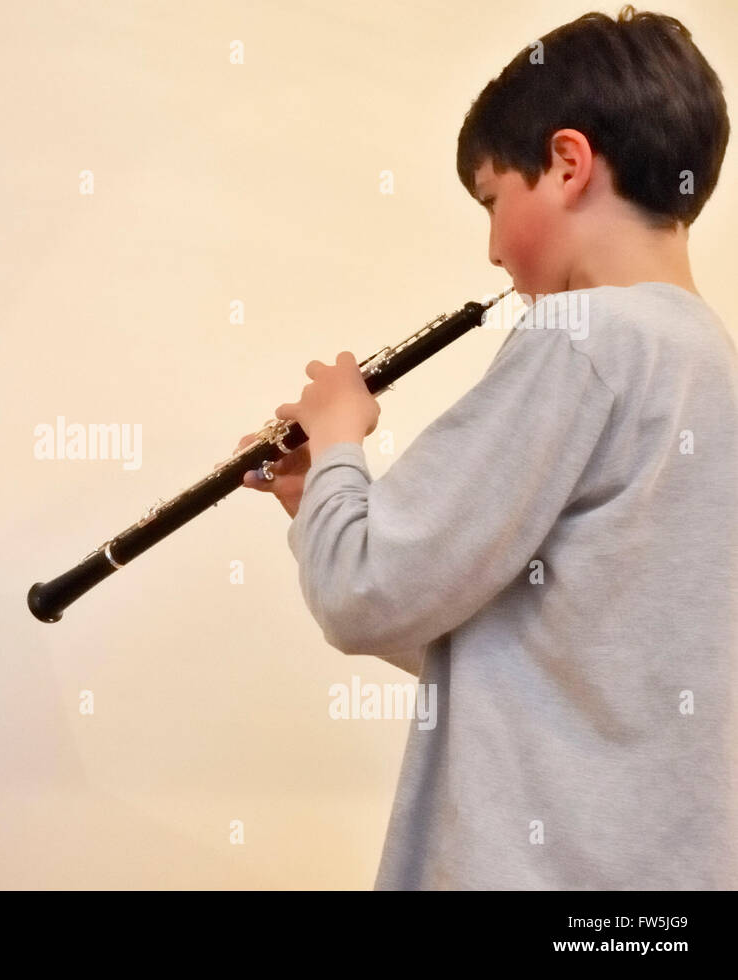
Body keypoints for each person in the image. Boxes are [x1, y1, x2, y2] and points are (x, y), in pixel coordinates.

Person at [238, 5, 736, 889]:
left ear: (567, 164)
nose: (493, 247)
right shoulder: (710, 366)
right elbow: (526, 647)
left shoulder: (581, 337)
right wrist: (325, 497)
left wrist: (343, 432)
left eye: (493, 200)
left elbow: (365, 593)